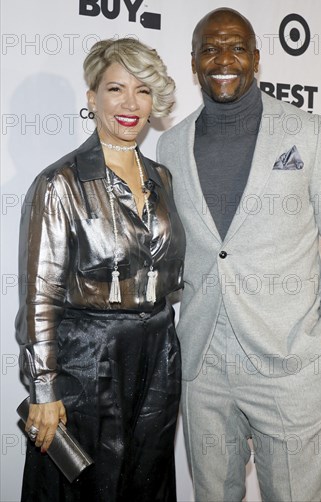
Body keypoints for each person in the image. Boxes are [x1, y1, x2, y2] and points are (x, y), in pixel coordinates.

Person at [157, 8, 321, 502]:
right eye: (209, 49)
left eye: (235, 47)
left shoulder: (311, 133)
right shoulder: (170, 145)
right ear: (193, 63)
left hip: (290, 360)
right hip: (203, 360)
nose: (223, 59)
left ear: (255, 58)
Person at [15, 37, 185, 502]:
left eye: (143, 90)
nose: (131, 103)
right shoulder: (60, 182)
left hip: (158, 355)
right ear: (92, 99)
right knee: (86, 488)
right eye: (116, 89)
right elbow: (40, 294)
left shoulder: (162, 178)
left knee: (146, 483)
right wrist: (44, 389)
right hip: (88, 359)